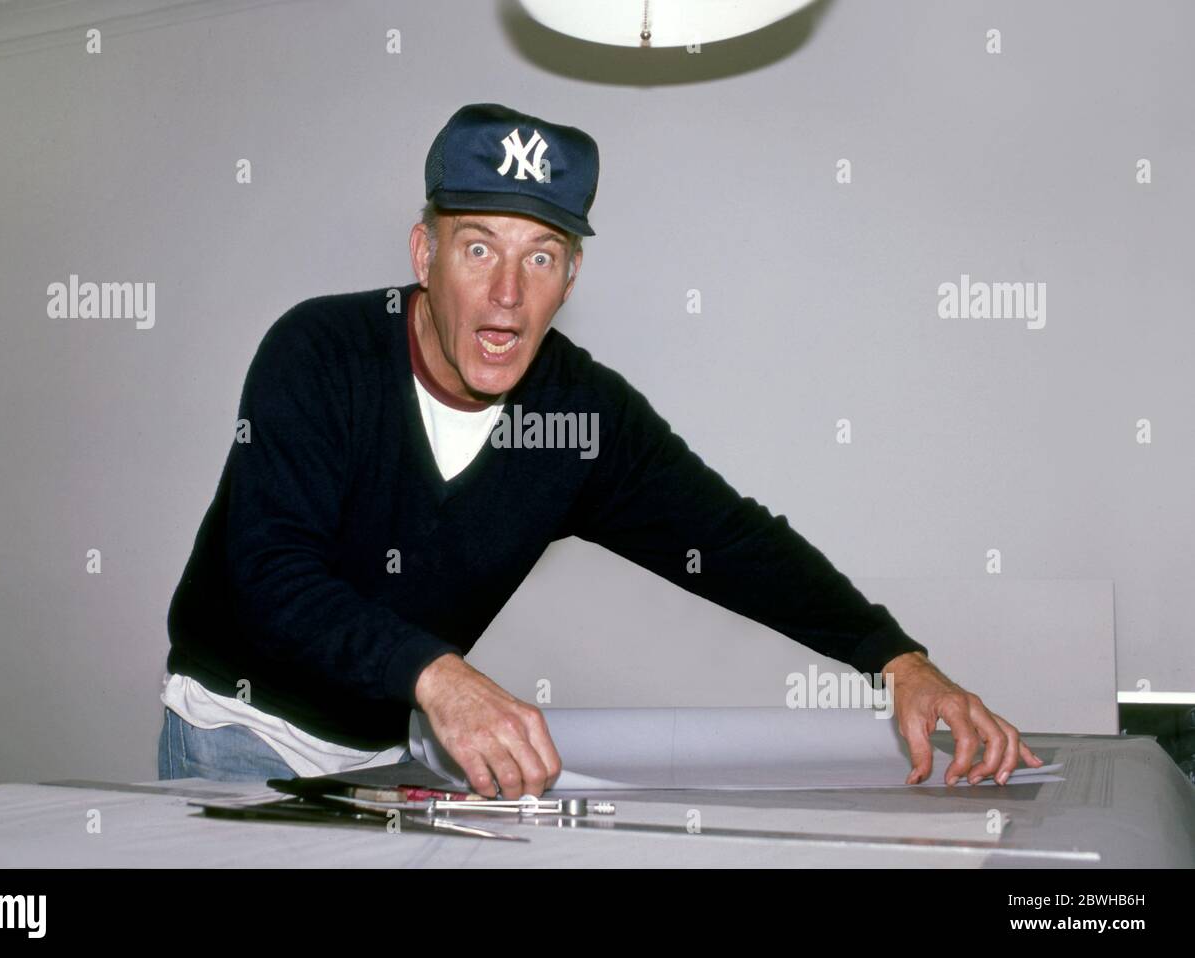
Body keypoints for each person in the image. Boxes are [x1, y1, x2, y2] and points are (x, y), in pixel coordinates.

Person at [158, 102, 1043, 796]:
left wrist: (897, 660)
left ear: (571, 278)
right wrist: (438, 673)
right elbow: (271, 574)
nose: (507, 294)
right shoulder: (318, 352)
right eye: (479, 247)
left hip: (394, 749)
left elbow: (730, 540)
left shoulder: (581, 417)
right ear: (425, 253)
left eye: (542, 257)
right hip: (238, 733)